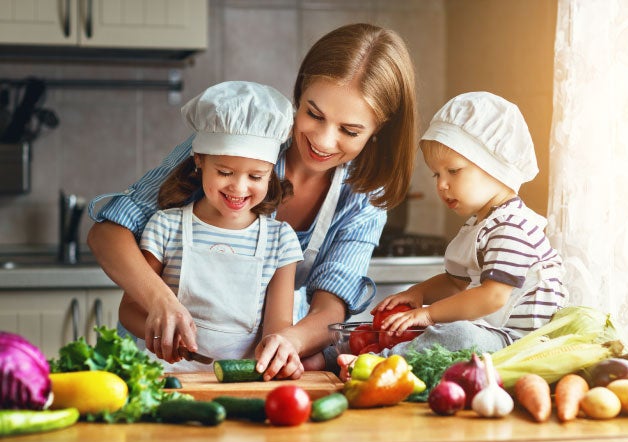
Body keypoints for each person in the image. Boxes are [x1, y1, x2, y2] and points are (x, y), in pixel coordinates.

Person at [87, 23, 418, 380]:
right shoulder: (236, 137)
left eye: (349, 131)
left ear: (378, 129)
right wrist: (160, 303)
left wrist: (287, 342)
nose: (323, 140)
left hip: (243, 370)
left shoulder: (363, 197)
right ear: (301, 88)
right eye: (314, 114)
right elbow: (108, 233)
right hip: (154, 363)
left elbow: (329, 308)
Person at [338, 92, 567, 376]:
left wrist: (429, 313)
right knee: (449, 330)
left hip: (519, 343)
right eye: (436, 174)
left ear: (495, 166)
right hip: (492, 333)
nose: (442, 185)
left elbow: (493, 296)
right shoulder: (480, 225)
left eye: (453, 171)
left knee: (460, 335)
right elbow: (454, 282)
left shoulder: (513, 227)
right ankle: (371, 355)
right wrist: (417, 293)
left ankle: (380, 363)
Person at [117, 81, 304, 372]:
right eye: (225, 172)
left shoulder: (280, 241)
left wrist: (277, 356)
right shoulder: (166, 227)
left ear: (271, 174)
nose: (239, 188)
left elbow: (276, 330)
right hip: (166, 375)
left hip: (239, 381)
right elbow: (129, 310)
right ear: (199, 160)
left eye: (256, 176)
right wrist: (160, 335)